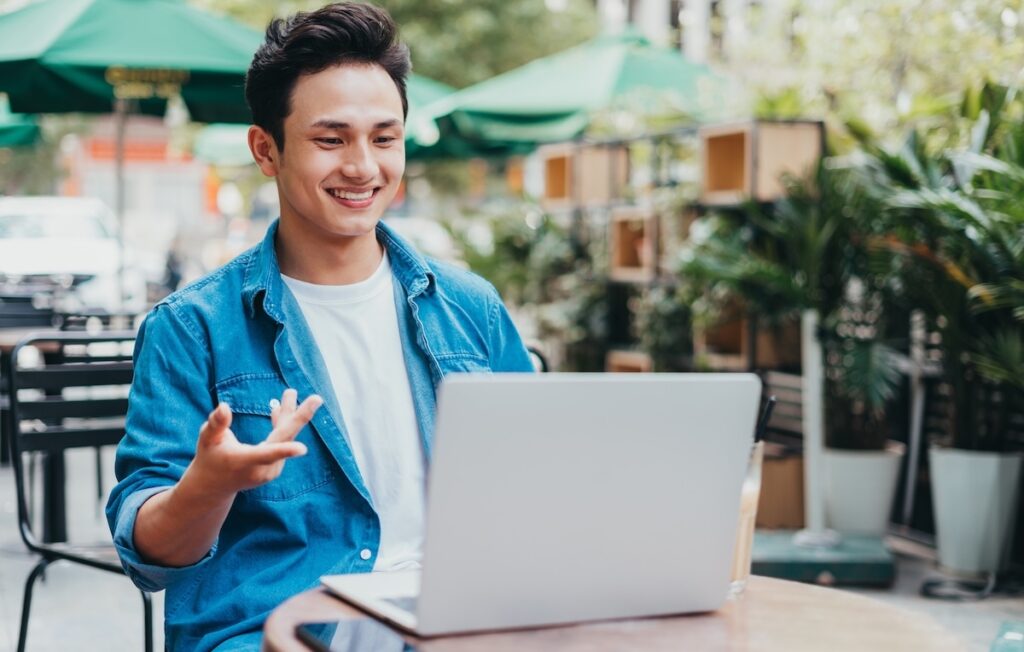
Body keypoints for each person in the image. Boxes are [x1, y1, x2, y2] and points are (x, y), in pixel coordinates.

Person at [105, 4, 534, 650]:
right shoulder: (191, 329)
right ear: (266, 150)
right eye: (331, 140)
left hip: (460, 621)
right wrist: (209, 486)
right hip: (283, 630)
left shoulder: (469, 308)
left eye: (384, 139)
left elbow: (538, 486)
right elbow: (152, 555)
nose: (363, 167)